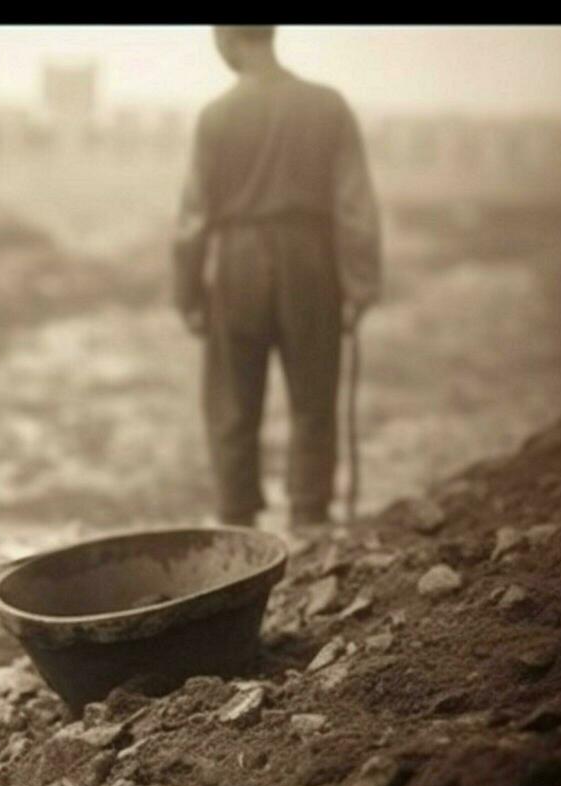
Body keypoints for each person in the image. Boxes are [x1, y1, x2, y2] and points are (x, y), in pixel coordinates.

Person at [173, 25, 382, 530]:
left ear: (226, 40)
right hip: (312, 262)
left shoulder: (215, 116)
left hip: (239, 263)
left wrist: (189, 295)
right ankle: (310, 519)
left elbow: (193, 218)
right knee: (314, 398)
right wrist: (359, 285)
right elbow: (355, 208)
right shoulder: (327, 106)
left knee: (231, 403)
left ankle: (238, 524)